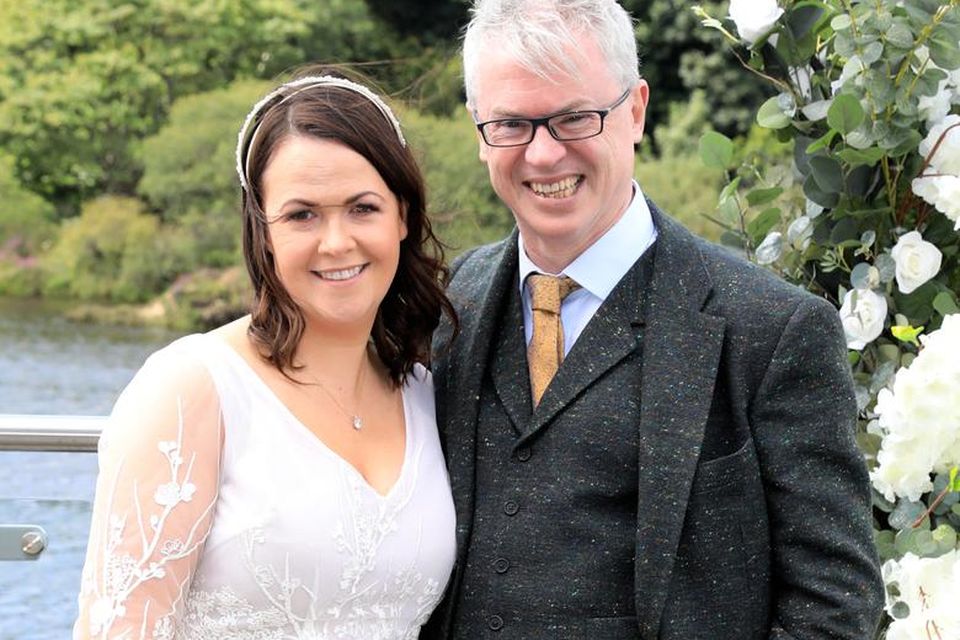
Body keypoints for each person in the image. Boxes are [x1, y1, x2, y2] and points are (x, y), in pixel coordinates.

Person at [423, 1, 884, 638]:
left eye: (574, 118)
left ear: (635, 110)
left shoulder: (771, 329)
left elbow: (834, 606)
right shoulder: (446, 306)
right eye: (511, 125)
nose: (543, 153)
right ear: (480, 132)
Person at [74, 72, 457, 639]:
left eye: (362, 208)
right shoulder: (192, 387)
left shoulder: (425, 391)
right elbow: (121, 627)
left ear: (401, 215)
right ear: (263, 231)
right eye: (302, 214)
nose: (336, 241)